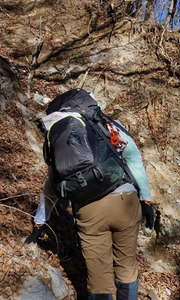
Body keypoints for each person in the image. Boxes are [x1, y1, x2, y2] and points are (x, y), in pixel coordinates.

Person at [26, 89, 154, 300]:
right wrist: (146, 199)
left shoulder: (58, 135)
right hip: (125, 202)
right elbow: (133, 159)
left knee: (99, 276)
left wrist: (41, 220)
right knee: (126, 265)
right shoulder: (105, 125)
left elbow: (52, 183)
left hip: (89, 210)